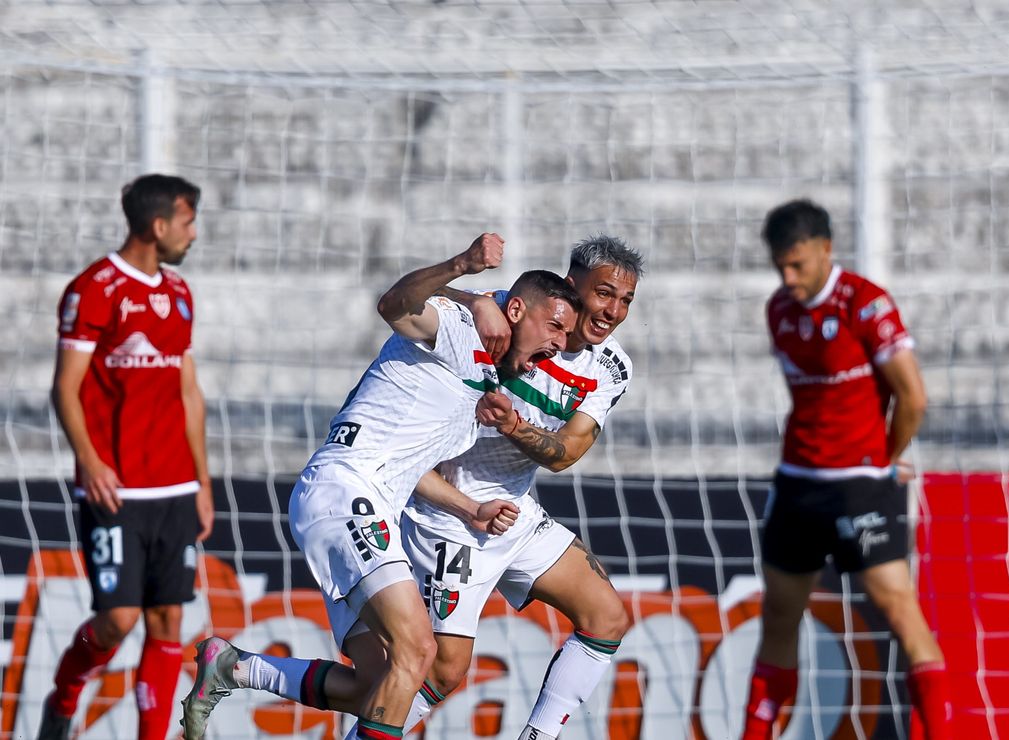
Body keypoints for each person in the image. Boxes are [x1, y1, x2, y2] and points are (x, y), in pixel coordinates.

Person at [182, 234, 642, 740]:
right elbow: (401, 307)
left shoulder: (594, 364)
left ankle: (237, 667)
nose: (613, 311)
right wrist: (467, 277)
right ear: (567, 289)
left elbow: (565, 451)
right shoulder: (474, 332)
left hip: (489, 507)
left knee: (601, 617)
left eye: (626, 301)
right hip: (387, 504)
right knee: (425, 661)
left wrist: (475, 500)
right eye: (603, 295)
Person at [742, 200, 950, 740]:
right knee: (779, 618)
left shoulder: (866, 304)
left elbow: (913, 397)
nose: (788, 278)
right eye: (780, 267)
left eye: (799, 265)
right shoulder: (779, 311)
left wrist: (883, 458)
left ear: (826, 250)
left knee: (898, 608)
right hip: (797, 484)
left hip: (859, 485)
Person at [39, 174, 212, 740]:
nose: (193, 234)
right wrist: (87, 460)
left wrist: (202, 482)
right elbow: (66, 387)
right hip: (115, 485)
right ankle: (64, 696)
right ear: (158, 226)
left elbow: (189, 391)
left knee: (168, 622)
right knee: (117, 620)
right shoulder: (94, 289)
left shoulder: (181, 294)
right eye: (188, 222)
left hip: (174, 488)